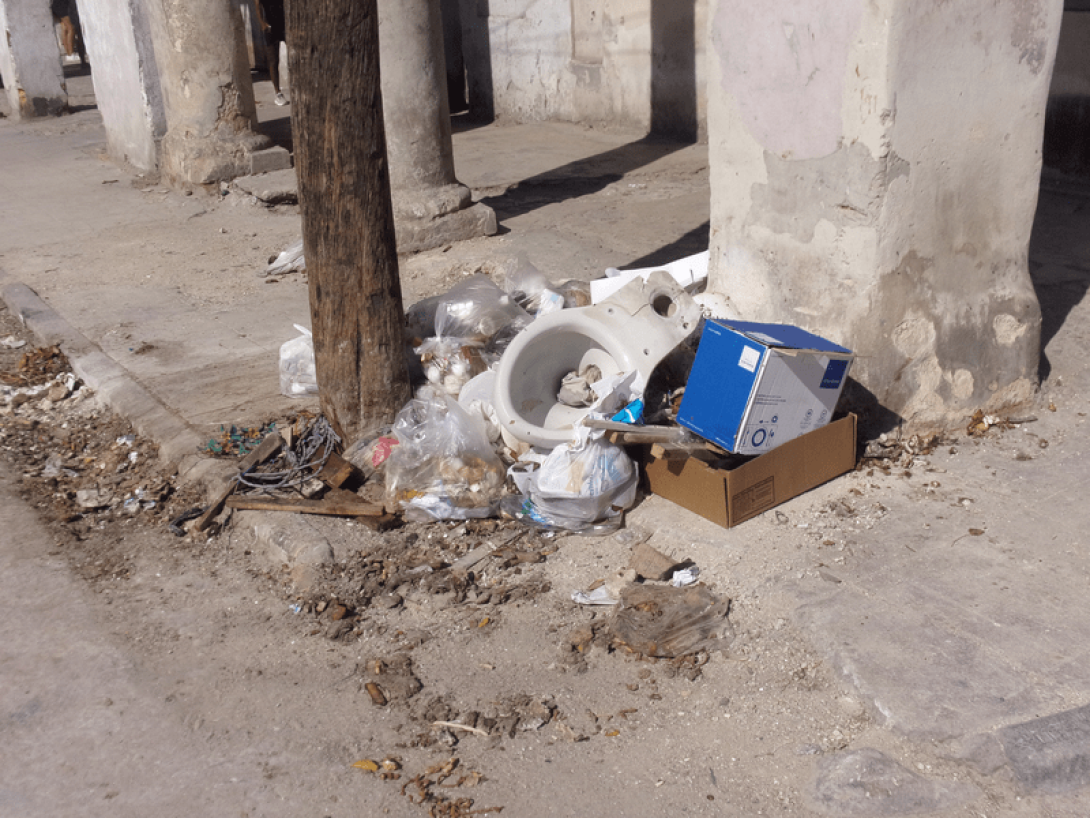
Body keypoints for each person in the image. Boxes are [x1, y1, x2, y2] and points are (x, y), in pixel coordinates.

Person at [253, 0, 287, 106]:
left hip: (285, 24)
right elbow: (257, 4)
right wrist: (262, 24)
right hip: (270, 27)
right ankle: (278, 93)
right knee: (273, 60)